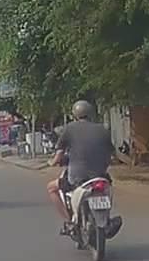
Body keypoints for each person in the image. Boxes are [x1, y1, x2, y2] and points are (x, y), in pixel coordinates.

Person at [46, 100, 121, 237]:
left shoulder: (69, 128)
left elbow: (59, 154)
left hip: (77, 177)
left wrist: (52, 162)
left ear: (74, 114)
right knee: (107, 188)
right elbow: (112, 154)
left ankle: (69, 222)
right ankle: (106, 219)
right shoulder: (102, 129)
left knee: (51, 188)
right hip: (100, 175)